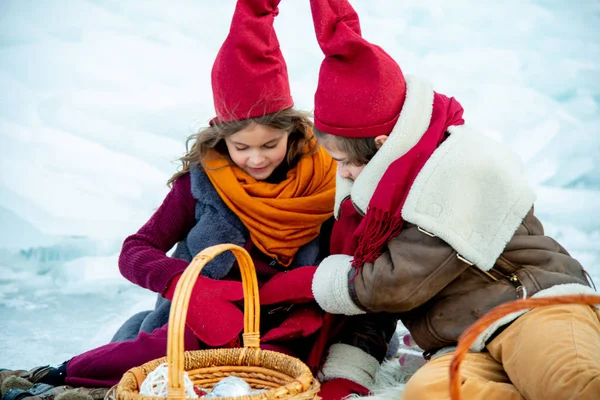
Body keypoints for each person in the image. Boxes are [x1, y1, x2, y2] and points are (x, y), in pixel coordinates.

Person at [0, 1, 398, 400]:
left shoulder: (331, 177)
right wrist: (189, 289)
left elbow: (360, 270)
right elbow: (135, 251)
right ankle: (47, 380)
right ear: (220, 137)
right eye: (241, 147)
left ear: (294, 132)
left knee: (260, 370)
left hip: (287, 330)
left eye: (270, 145)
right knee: (159, 362)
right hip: (201, 327)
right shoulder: (201, 183)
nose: (256, 159)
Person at [305, 0, 600, 399]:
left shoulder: (457, 168)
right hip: (463, 341)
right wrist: (347, 371)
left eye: (344, 162)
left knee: (570, 382)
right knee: (431, 392)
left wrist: (319, 280)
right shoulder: (378, 199)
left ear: (381, 146)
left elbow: (394, 284)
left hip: (529, 308)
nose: (342, 174)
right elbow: (376, 298)